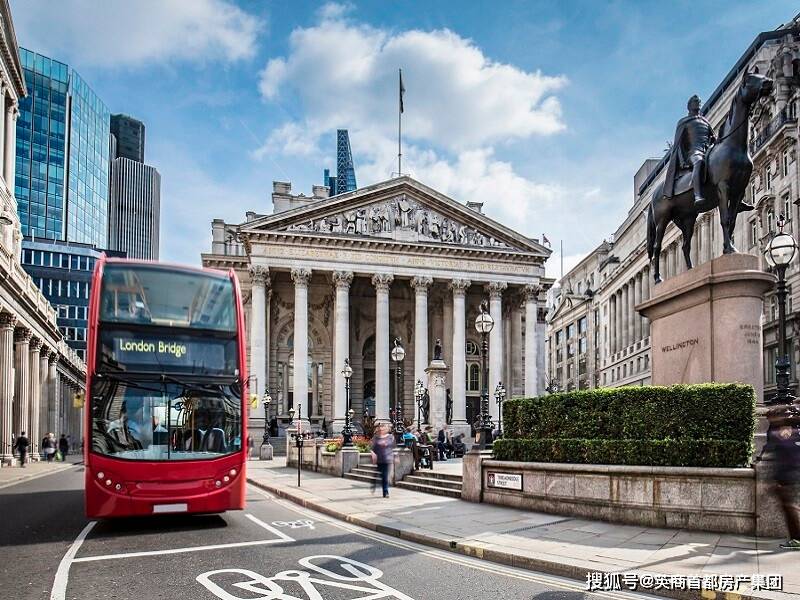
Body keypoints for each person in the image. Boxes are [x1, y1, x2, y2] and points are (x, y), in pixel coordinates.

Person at [763, 403, 800, 550]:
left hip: (787, 477)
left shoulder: (781, 433)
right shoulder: (792, 431)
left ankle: (797, 539)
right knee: (791, 508)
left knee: (790, 509)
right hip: (790, 474)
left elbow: (786, 454)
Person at [370, 424, 395, 498]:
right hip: (379, 459)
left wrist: (395, 456)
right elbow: (371, 448)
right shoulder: (376, 438)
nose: (382, 429)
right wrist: (373, 454)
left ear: (387, 429)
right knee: (381, 474)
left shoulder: (390, 437)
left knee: (384, 475)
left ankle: (385, 491)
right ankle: (375, 482)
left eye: (384, 428)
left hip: (387, 459)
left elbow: (393, 447)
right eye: (381, 428)